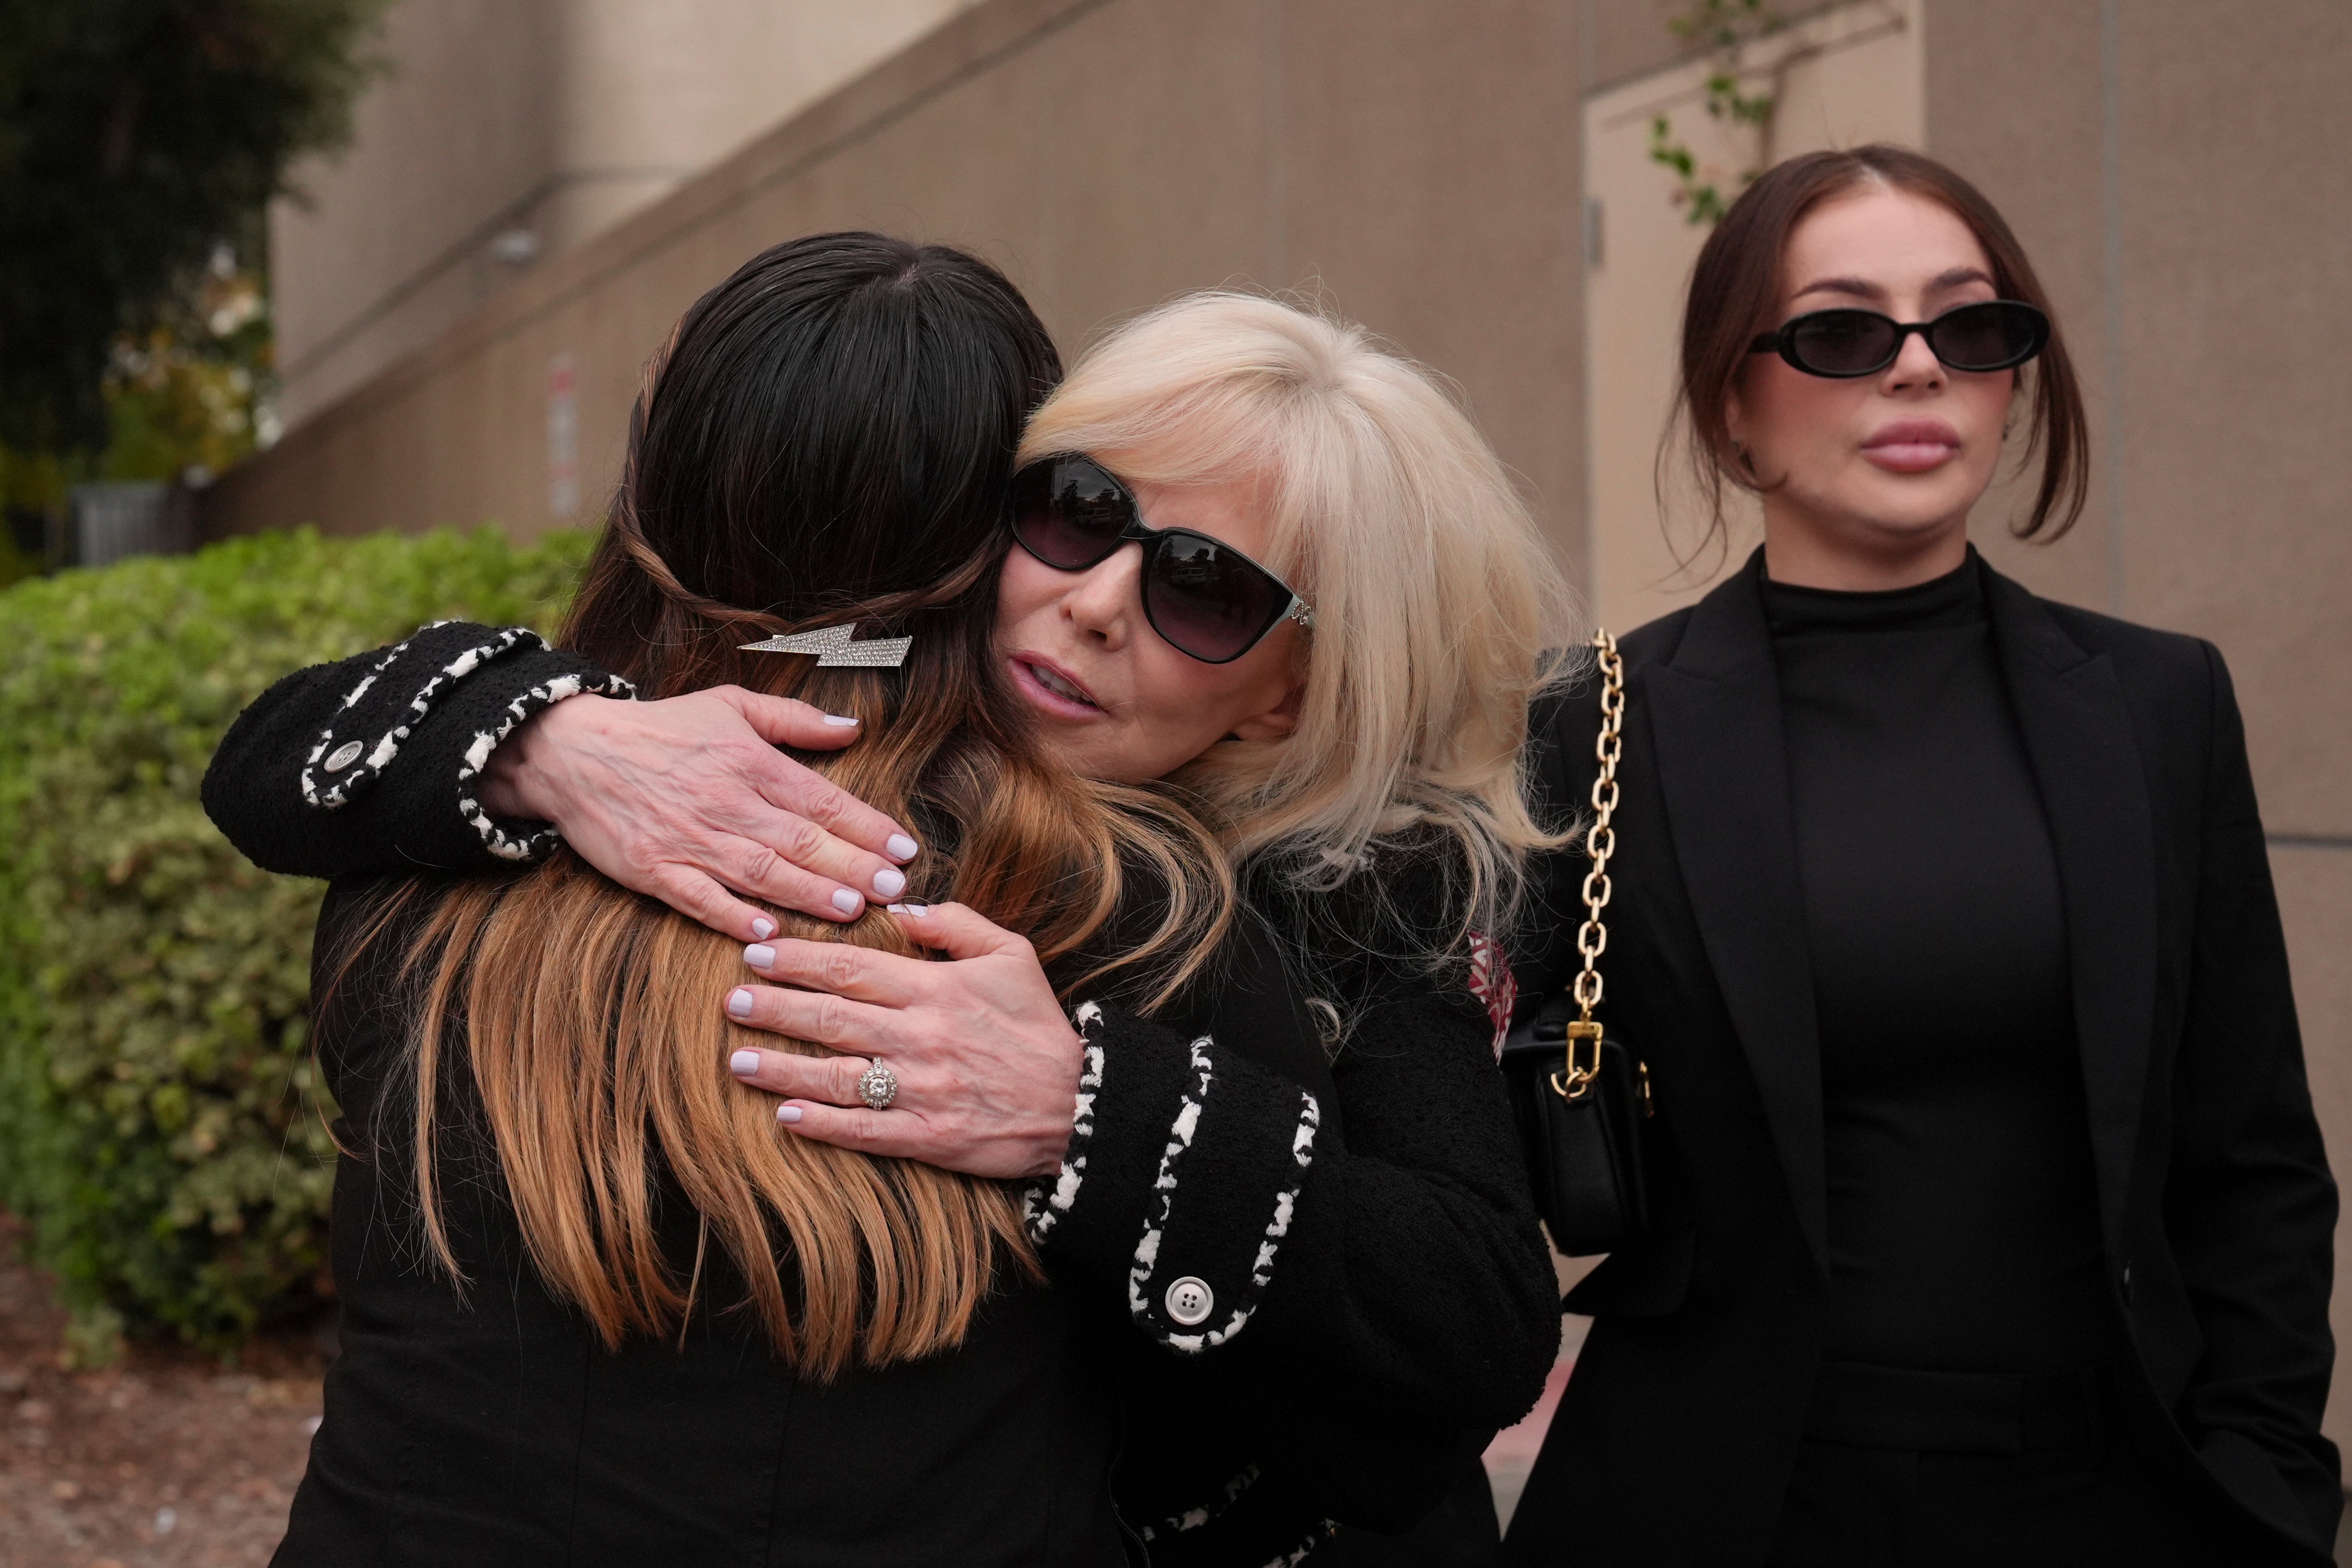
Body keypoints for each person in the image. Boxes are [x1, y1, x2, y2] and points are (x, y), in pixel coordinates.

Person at [206, 243, 1566, 1565]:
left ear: (1296, 690)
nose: (1096, 601)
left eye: (1205, 589)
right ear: (975, 525)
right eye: (1077, 508)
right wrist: (547, 740)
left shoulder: (1319, 896)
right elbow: (265, 765)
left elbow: (1444, 1364)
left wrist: (1088, 1107)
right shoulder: (541, 799)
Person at [1500, 145, 2338, 1568]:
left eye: (1970, 326)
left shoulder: (2157, 705)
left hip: (2111, 1499)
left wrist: (2265, 1483)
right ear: (1731, 403)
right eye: (1840, 331)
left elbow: (2249, 1157)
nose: (1917, 370)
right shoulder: (1586, 722)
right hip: (1721, 1499)